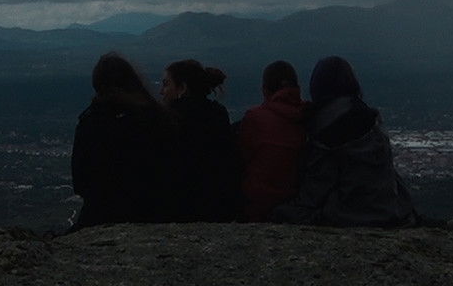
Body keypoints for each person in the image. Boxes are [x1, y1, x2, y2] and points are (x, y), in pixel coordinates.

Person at [273, 56, 415, 227]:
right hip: (391, 210)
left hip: (348, 213)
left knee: (281, 213)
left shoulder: (327, 130)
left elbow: (316, 190)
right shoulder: (372, 119)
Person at [71, 52, 174, 229]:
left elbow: (80, 180)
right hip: (155, 212)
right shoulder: (156, 118)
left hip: (101, 214)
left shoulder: (92, 122)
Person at [160, 59, 241, 222]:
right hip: (219, 208)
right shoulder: (219, 115)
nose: (162, 91)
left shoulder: (168, 120)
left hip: (176, 210)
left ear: (182, 88)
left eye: (166, 84)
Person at [237, 60, 308, 222]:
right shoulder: (310, 116)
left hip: (257, 206)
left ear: (265, 90)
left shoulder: (255, 118)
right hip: (299, 204)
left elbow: (242, 158)